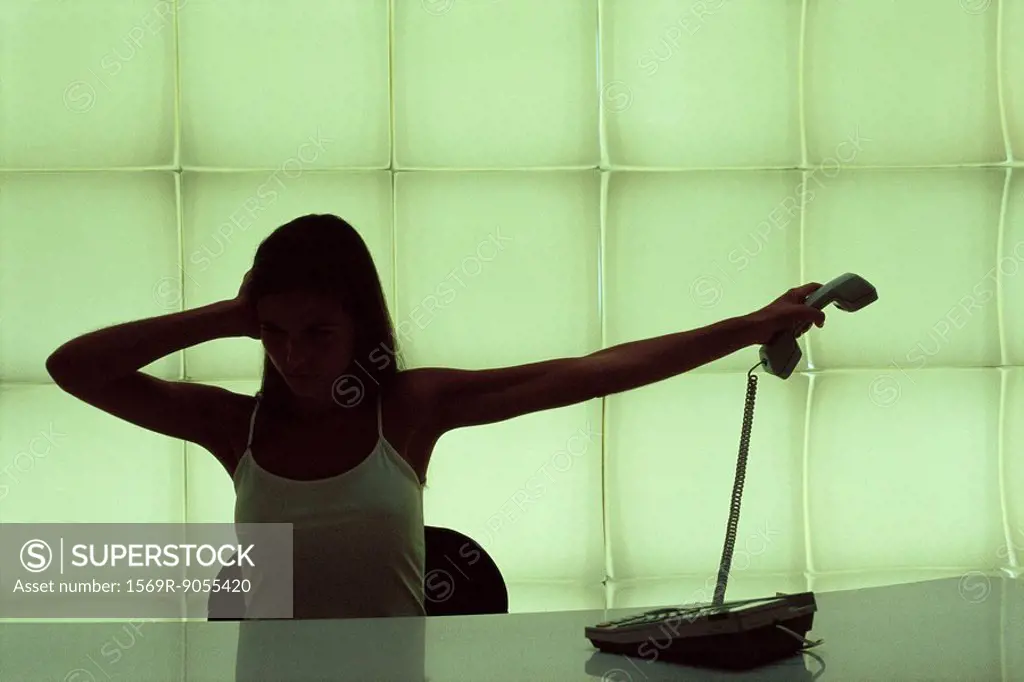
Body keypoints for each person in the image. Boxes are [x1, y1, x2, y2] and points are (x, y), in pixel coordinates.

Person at [44, 213, 827, 622]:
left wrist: (752, 326)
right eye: (275, 334)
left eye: (318, 332)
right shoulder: (234, 426)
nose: (295, 355)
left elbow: (591, 373)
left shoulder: (410, 410)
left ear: (360, 329)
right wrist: (229, 313)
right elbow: (71, 368)